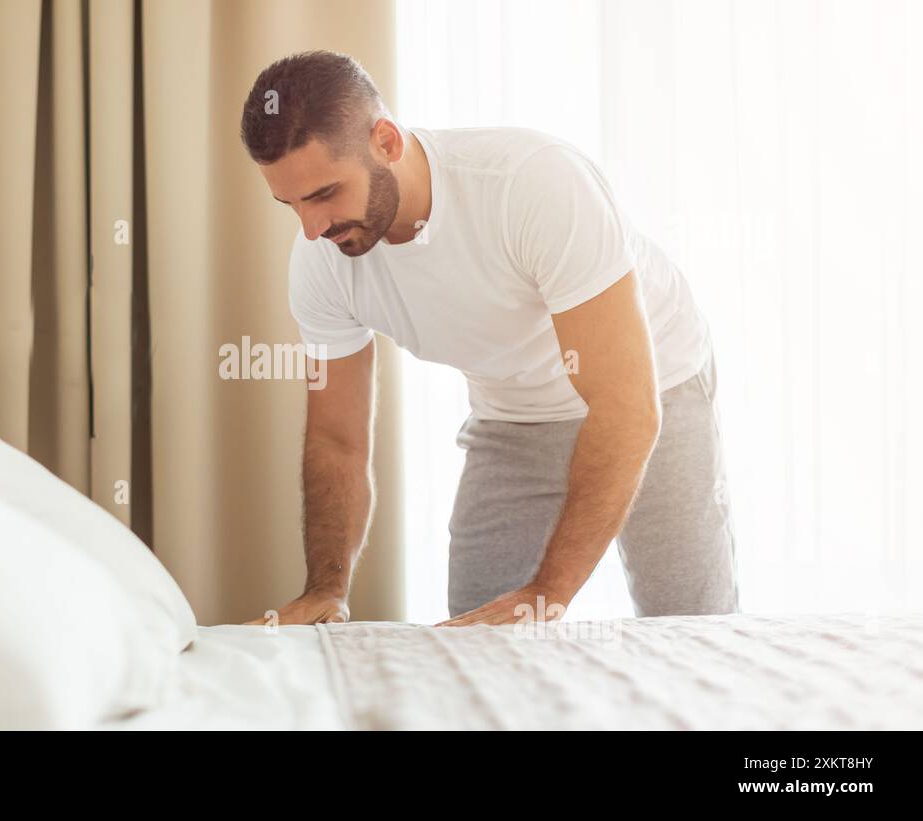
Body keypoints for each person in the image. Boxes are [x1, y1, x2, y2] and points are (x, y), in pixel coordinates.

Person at [239, 50, 738, 627]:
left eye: (325, 193)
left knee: (691, 622)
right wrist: (326, 589)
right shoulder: (320, 259)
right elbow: (336, 439)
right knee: (478, 633)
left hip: (656, 387)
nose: (311, 228)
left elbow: (625, 407)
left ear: (386, 142)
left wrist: (548, 591)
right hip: (512, 414)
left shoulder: (532, 183)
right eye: (290, 204)